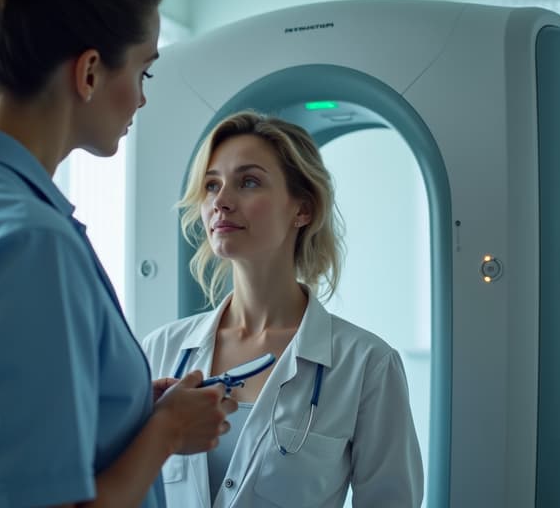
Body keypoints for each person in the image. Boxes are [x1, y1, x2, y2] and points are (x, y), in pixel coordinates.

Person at [0, 0, 236, 507]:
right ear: (88, 73)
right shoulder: (30, 244)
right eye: (143, 71)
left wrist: (122, 410)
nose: (144, 96)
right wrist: (166, 433)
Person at [142, 110, 424, 507]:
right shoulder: (160, 351)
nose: (221, 201)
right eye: (210, 186)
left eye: (249, 182)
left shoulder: (367, 365)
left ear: (302, 210)